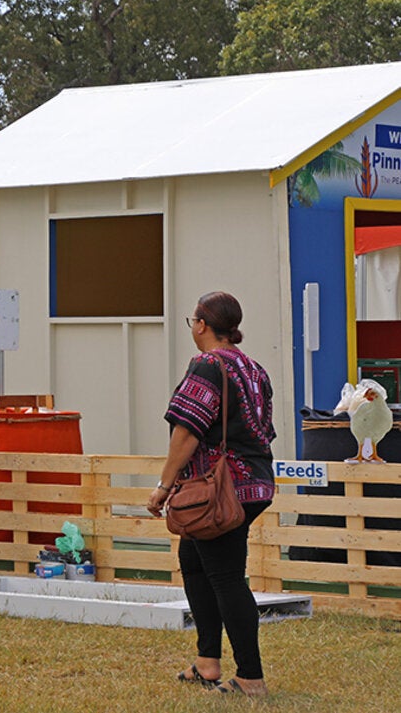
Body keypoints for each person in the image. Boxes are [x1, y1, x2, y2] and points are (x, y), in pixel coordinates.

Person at [147, 292, 275, 698]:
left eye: (192, 321)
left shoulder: (206, 365)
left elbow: (187, 430)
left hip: (219, 491)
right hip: (254, 484)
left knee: (226, 577)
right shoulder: (253, 368)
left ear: (201, 325)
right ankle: (207, 661)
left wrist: (164, 485)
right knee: (194, 559)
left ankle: (250, 678)